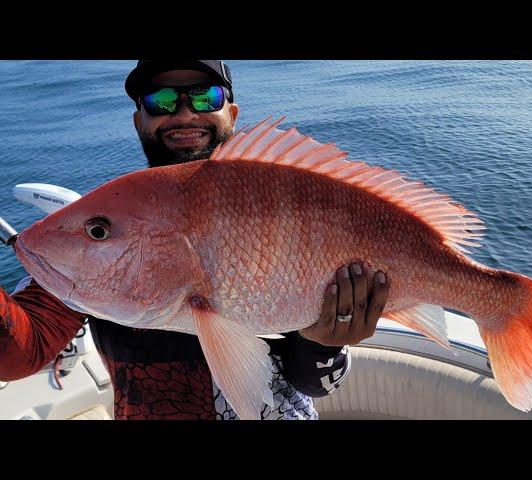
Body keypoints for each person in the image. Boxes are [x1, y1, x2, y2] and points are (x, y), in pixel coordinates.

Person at [0, 60, 390, 420]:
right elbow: (19, 353)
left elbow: (316, 386)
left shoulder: (291, 202)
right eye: (161, 100)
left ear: (231, 113)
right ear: (140, 120)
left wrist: (323, 344)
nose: (185, 113)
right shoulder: (112, 228)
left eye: (207, 96)